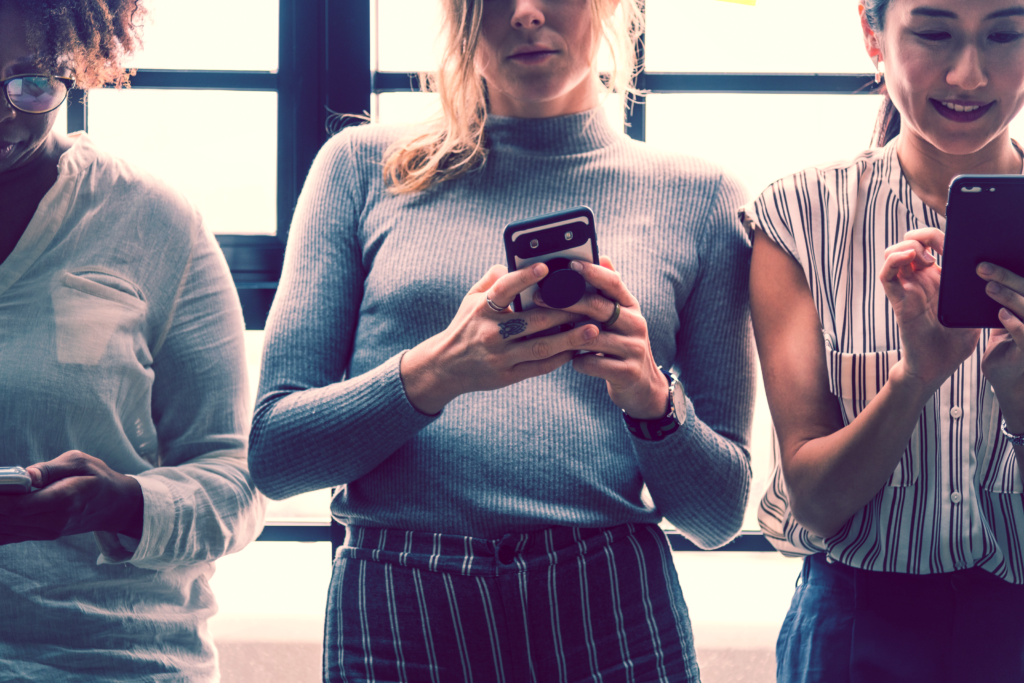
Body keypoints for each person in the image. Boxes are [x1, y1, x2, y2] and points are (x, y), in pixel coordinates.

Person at [250, 0, 755, 680]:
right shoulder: (360, 168)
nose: (525, 12)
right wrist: (438, 371)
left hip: (607, 598)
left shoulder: (702, 197)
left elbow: (718, 515)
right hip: (401, 596)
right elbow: (276, 456)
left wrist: (649, 394)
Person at [742, 1, 1024, 681]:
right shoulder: (798, 215)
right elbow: (812, 501)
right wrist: (913, 378)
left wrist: (1020, 395)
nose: (968, 74)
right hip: (854, 619)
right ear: (873, 35)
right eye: (933, 33)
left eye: (1005, 34)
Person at [0, 0, 265, 679]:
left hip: (111, 661)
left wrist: (120, 501)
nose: (3, 110)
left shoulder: (153, 222)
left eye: (31, 82)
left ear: (77, 67)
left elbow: (239, 481)